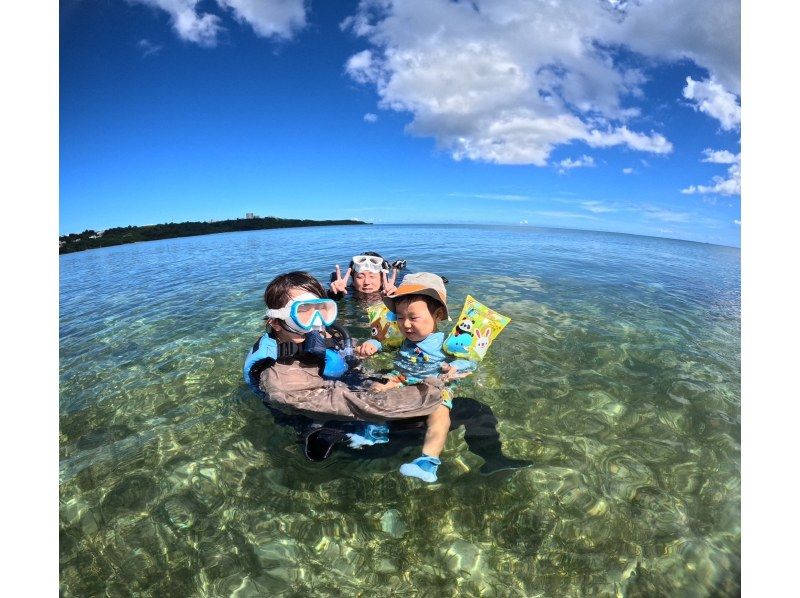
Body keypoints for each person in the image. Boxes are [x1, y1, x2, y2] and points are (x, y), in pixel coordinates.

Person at [243, 271, 448, 424]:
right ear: (276, 322)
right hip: (336, 423)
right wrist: (437, 388)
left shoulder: (323, 335)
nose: (317, 321)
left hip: (360, 389)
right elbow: (359, 406)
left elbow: (350, 358)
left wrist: (366, 351)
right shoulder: (282, 381)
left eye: (321, 309)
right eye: (304, 311)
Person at [353, 272, 476, 483]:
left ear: (437, 315)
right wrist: (374, 345)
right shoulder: (402, 337)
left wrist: (453, 366)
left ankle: (428, 461)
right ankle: (375, 430)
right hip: (401, 376)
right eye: (399, 317)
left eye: (413, 317)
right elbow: (386, 344)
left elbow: (469, 360)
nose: (405, 324)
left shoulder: (447, 342)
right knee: (374, 389)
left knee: (440, 413)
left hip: (434, 382)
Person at [328, 251, 403, 302]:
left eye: (372, 276)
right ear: (353, 281)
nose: (366, 282)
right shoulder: (346, 292)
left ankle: (397, 266)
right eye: (360, 277)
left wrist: (394, 296)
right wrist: (335, 294)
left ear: (382, 280)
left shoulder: (391, 290)